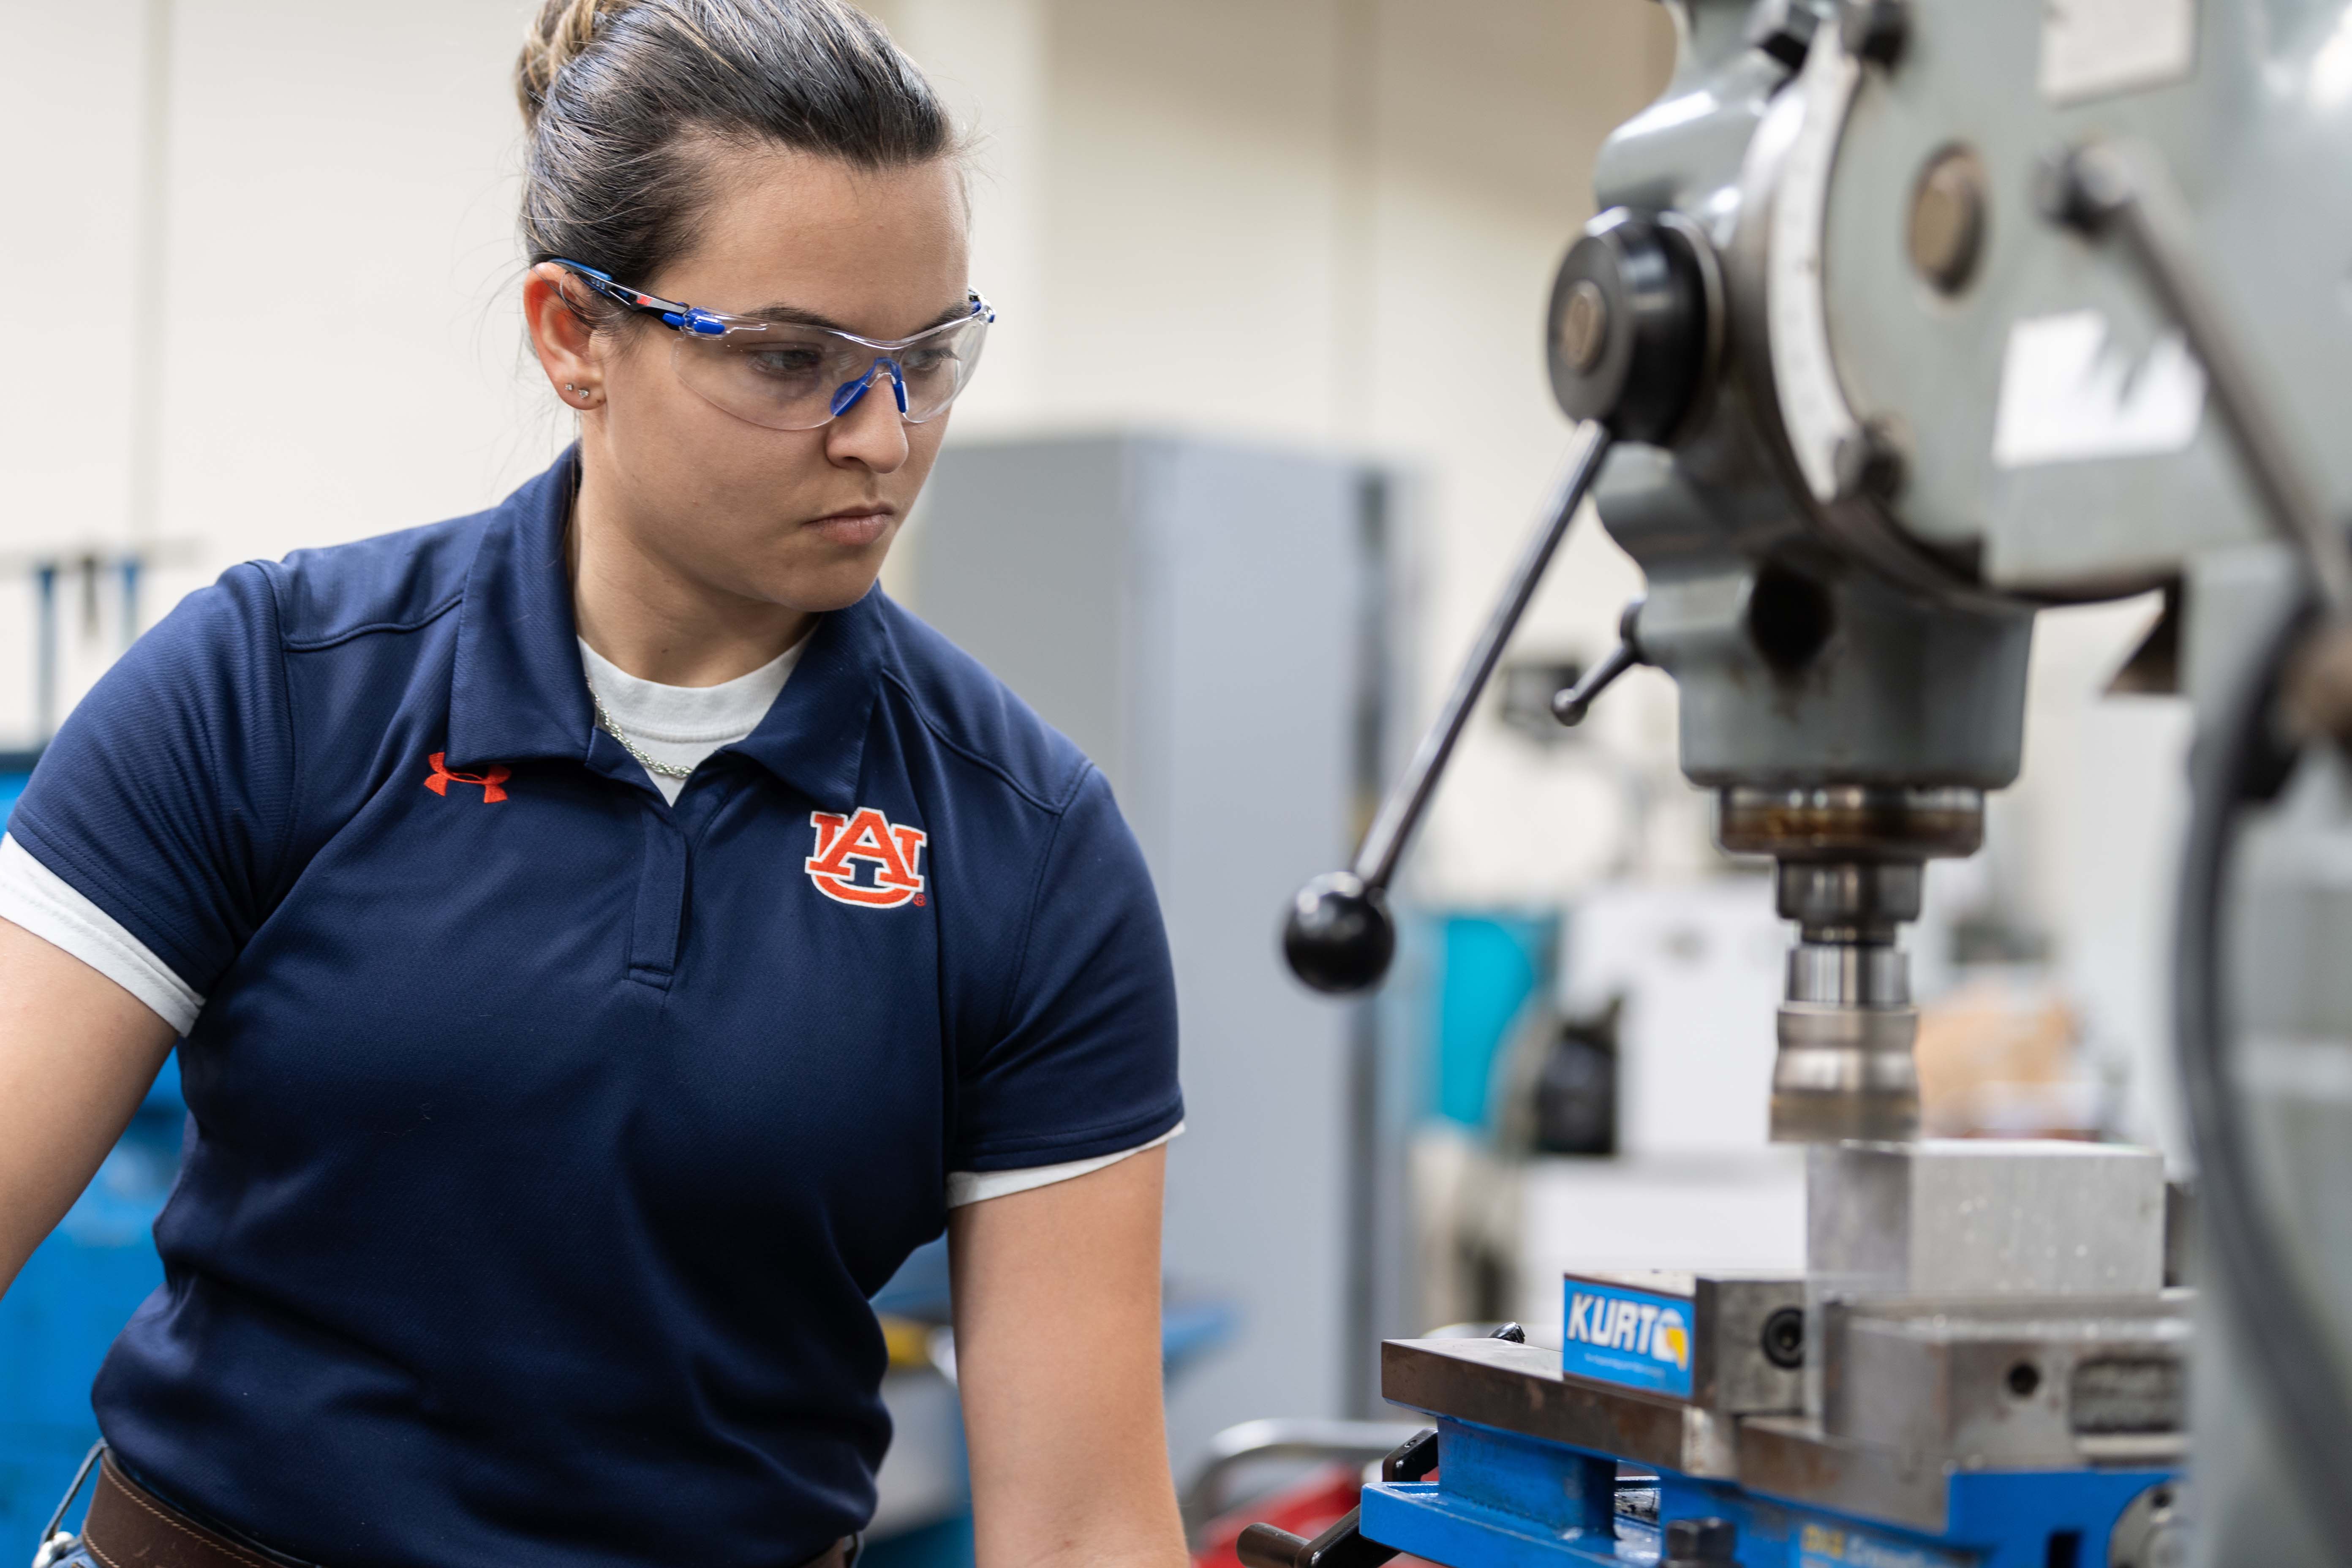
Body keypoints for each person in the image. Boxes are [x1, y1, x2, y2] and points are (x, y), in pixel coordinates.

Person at [0, 4, 1189, 1567]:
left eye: (928, 358)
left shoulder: (1024, 847)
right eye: (792, 361)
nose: (885, 437)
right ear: (575, 335)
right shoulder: (272, 687)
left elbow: (1088, 1521)